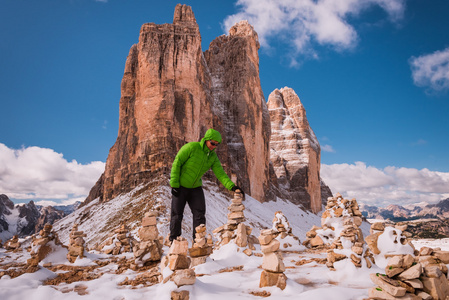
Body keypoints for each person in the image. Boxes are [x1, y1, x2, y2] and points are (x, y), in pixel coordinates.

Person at [169, 128, 242, 242]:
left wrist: (232, 187)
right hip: (180, 187)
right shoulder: (192, 147)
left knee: (200, 214)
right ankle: (173, 241)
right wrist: (174, 184)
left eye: (216, 145)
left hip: (195, 188)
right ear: (206, 139)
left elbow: (220, 173)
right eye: (212, 143)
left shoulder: (212, 157)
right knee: (177, 215)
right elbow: (177, 162)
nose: (214, 146)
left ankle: (198, 242)